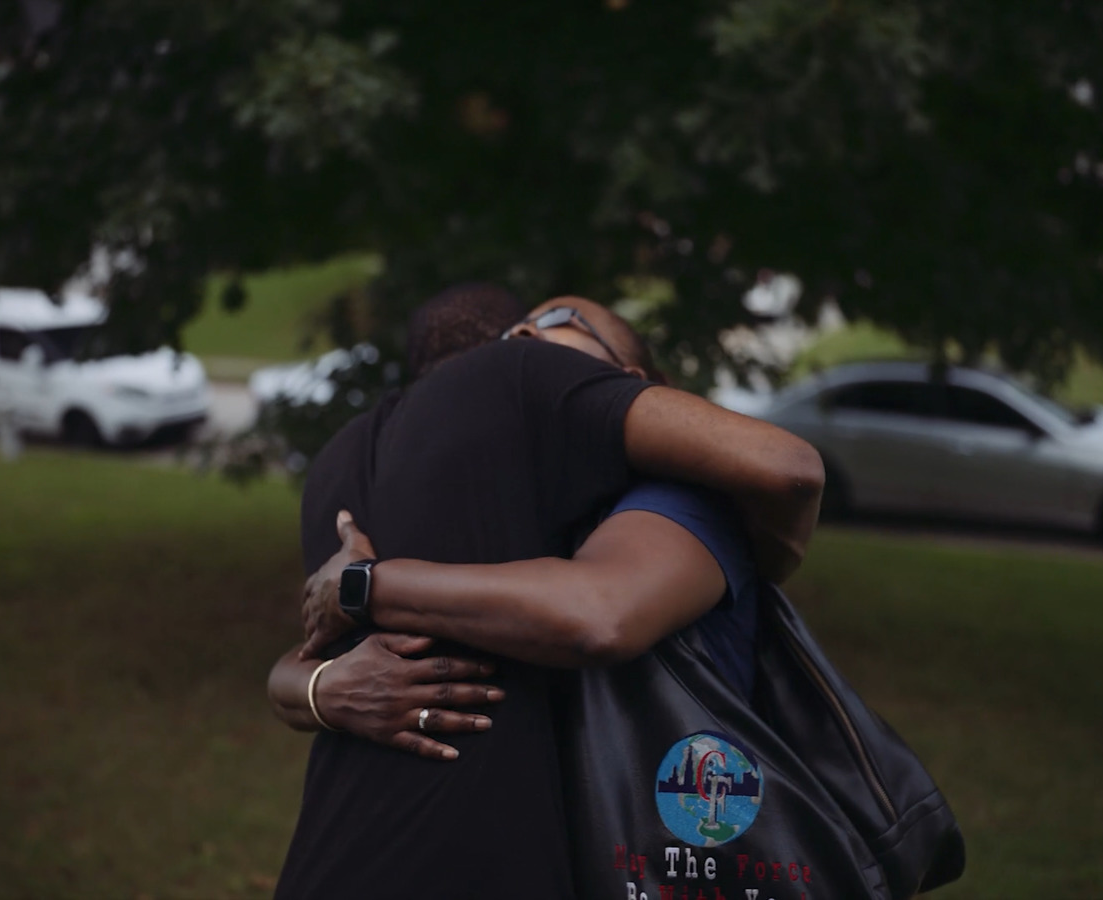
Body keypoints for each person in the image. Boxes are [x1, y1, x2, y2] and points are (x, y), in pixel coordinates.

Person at [269, 289, 823, 898]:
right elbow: (313, 660)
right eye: (517, 333)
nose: (523, 340)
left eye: (557, 322)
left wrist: (367, 586)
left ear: (631, 381)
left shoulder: (681, 502)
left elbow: (598, 613)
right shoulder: (519, 509)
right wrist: (317, 687)